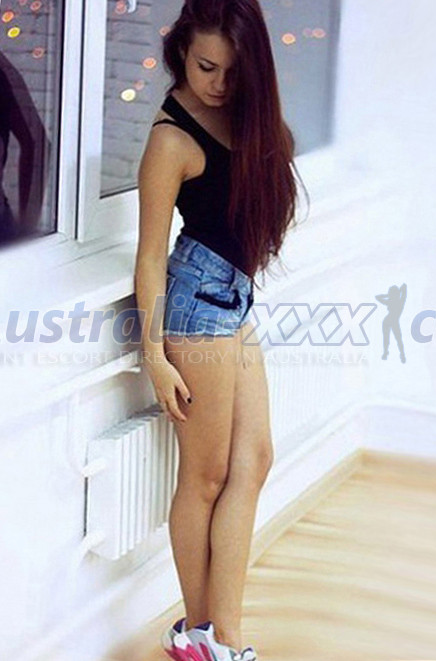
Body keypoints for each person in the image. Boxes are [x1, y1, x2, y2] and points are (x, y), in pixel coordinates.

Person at [134, 1, 309, 659]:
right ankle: (208, 637)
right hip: (195, 304)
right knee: (204, 477)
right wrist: (155, 355)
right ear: (182, 50)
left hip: (233, 299)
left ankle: (213, 637)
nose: (217, 83)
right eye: (206, 66)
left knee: (254, 459)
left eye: (233, 72)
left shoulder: (245, 114)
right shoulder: (170, 140)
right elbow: (149, 256)